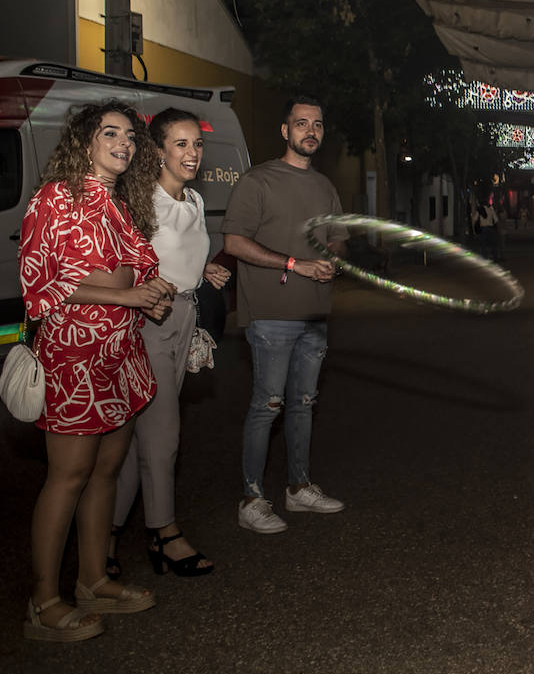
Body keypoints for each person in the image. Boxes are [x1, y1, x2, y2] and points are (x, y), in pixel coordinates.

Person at [19, 101, 171, 641]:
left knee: (106, 471)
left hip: (121, 356)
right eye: (111, 133)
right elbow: (40, 284)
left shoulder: (119, 204)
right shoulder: (54, 199)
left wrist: (153, 294)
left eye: (130, 135)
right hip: (74, 360)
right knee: (69, 475)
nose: (125, 143)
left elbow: (142, 266)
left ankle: (91, 581)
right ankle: (42, 601)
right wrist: (128, 289)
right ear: (85, 141)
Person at [109, 109, 232, 577]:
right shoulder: (140, 203)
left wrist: (205, 273)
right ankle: (165, 534)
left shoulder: (196, 202)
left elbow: (183, 259)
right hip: (147, 323)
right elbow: (127, 264)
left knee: (142, 439)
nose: (192, 153)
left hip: (186, 320)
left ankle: (106, 537)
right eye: (180, 144)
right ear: (158, 150)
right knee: (163, 434)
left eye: (196, 144)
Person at [222, 98, 348, 534]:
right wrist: (295, 264)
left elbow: (337, 240)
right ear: (284, 130)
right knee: (267, 406)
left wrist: (332, 256)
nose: (309, 131)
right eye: (301, 124)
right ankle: (252, 499)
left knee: (304, 406)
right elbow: (235, 242)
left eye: (316, 124)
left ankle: (298, 489)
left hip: (316, 315)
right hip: (272, 317)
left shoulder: (326, 186)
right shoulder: (258, 181)